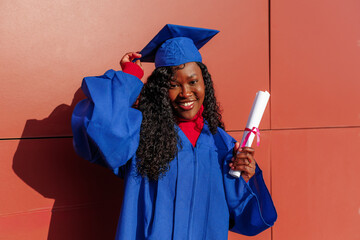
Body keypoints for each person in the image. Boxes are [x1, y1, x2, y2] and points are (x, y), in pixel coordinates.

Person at [72, 24, 277, 240]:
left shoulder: (222, 145)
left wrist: (246, 177)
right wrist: (129, 78)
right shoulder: (140, 134)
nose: (186, 92)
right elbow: (101, 126)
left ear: (204, 84)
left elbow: (249, 219)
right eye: (173, 84)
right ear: (161, 90)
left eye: (193, 81)